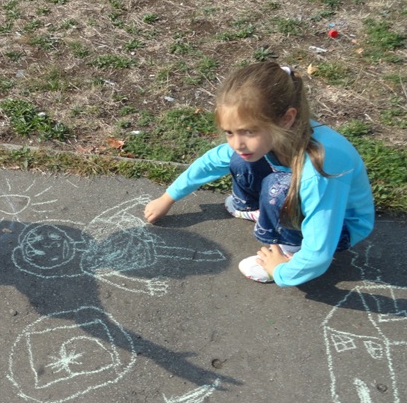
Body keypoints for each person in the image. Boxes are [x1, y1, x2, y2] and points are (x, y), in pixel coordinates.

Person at [144, 61, 374, 286]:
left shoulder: (318, 169)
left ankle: (289, 249)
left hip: (342, 227)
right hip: (303, 195)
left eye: (248, 132)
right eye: (229, 132)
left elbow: (320, 252)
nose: (237, 142)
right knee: (240, 159)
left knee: (279, 187)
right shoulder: (276, 133)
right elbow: (210, 163)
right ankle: (255, 209)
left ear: (286, 119)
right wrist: (168, 198)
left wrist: (282, 271)